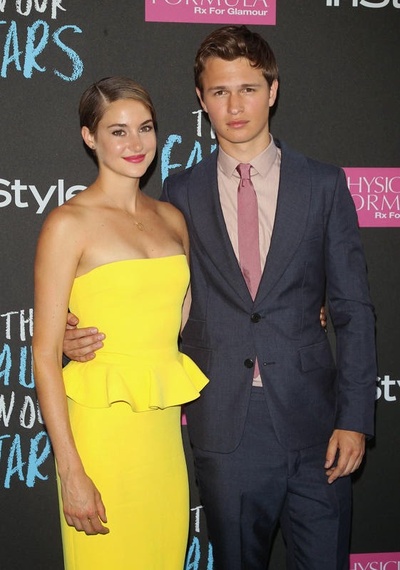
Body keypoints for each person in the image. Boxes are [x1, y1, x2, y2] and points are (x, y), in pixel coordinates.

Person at [63, 26, 377, 570]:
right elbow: (158, 295)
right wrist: (80, 334)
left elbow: (353, 310)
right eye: (219, 91)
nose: (235, 106)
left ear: (272, 91)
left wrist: (355, 419)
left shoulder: (323, 185)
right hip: (224, 424)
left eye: (248, 89)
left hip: (316, 425)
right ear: (201, 99)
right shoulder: (179, 193)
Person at [32, 76, 208, 570]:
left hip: (161, 436)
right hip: (100, 434)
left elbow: (186, 320)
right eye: (118, 131)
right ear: (90, 137)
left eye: (145, 128)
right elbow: (43, 354)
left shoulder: (172, 219)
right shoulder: (67, 224)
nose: (136, 143)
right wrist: (71, 472)